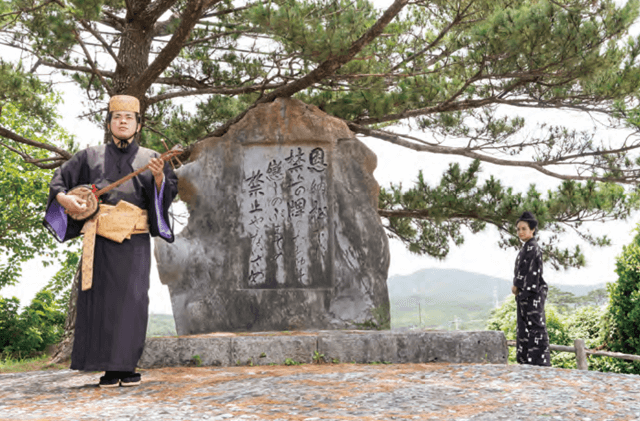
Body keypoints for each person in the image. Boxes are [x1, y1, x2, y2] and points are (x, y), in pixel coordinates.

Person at [43, 95, 178, 387]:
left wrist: (158, 181)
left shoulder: (152, 158)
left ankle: (125, 367)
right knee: (101, 302)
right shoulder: (89, 156)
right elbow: (59, 182)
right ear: (108, 123)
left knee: (133, 300)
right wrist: (65, 199)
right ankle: (106, 367)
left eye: (129, 118)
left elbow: (167, 193)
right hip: (100, 237)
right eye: (117, 117)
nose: (123, 122)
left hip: (134, 239)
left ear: (138, 125)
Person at [511, 211, 551, 367]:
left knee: (534, 328)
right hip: (526, 294)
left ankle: (537, 363)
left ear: (532, 229)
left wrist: (517, 285)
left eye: (524, 228)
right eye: (518, 229)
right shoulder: (527, 247)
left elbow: (526, 271)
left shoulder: (532, 248)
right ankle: (528, 361)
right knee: (525, 328)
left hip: (531, 293)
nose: (520, 232)